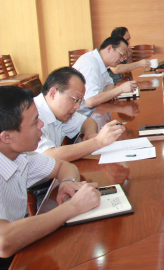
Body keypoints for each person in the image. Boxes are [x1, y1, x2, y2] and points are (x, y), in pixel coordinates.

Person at [0, 86, 101, 262]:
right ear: (6, 137)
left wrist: (68, 182)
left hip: (20, 244)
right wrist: (72, 207)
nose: (41, 125)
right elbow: (4, 242)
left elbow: (63, 166)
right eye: (34, 122)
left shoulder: (21, 156)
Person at [34, 67, 125, 162]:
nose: (77, 106)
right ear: (53, 93)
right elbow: (48, 156)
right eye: (75, 99)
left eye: (80, 101)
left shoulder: (59, 111)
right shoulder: (33, 116)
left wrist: (90, 134)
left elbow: (87, 121)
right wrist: (97, 142)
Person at [73, 36, 137, 116]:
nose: (121, 60)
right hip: (82, 116)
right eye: (121, 55)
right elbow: (91, 101)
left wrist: (108, 95)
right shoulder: (91, 65)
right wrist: (120, 89)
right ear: (109, 48)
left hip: (93, 112)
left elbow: (110, 84)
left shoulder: (101, 62)